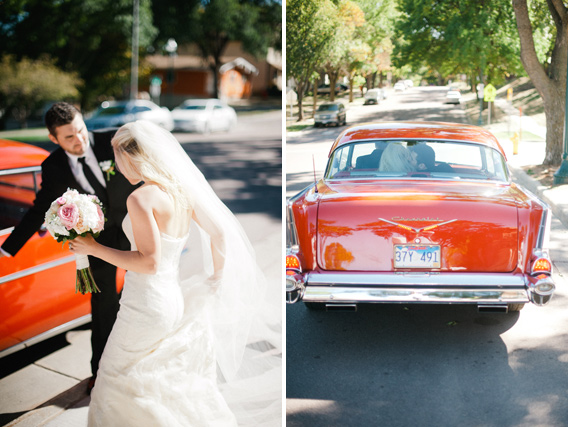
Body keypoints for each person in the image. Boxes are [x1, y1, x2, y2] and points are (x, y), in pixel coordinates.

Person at [69, 120, 281, 426]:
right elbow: (219, 232)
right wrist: (216, 278)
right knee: (150, 383)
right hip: (172, 297)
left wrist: (92, 248)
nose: (116, 165)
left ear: (132, 157)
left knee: (113, 378)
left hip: (145, 304)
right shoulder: (180, 190)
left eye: (118, 157)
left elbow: (149, 262)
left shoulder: (140, 198)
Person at [0, 102, 137, 391]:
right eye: (69, 137)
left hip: (136, 229)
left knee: (140, 299)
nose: (79, 141)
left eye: (81, 131)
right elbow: (39, 209)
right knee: (102, 307)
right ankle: (101, 373)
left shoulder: (113, 142)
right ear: (54, 139)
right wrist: (7, 249)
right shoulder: (53, 167)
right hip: (96, 243)